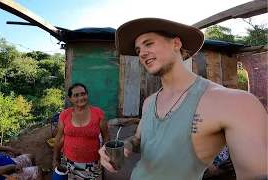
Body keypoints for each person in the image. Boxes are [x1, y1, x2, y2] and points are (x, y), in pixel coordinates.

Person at [98, 18, 267, 180]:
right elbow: (140, 139)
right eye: (138, 50)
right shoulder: (150, 102)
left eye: (148, 43)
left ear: (176, 43)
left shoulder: (234, 102)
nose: (142, 53)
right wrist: (126, 145)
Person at [52, 83, 110, 180]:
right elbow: (59, 138)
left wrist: (103, 157)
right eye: (76, 95)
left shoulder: (97, 113)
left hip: (93, 163)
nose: (81, 97)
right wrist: (55, 159)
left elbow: (106, 137)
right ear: (70, 98)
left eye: (83, 94)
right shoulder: (65, 115)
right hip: (69, 162)